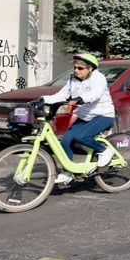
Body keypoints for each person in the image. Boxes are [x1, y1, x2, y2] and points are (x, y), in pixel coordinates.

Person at [42, 53, 115, 184]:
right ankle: (68, 172)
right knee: (65, 141)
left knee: (82, 137)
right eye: (75, 67)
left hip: (103, 114)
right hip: (85, 115)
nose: (76, 70)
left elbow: (95, 94)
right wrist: (43, 99)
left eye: (80, 68)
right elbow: (61, 95)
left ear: (90, 68)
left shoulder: (99, 78)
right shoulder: (72, 80)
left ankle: (105, 150)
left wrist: (81, 98)